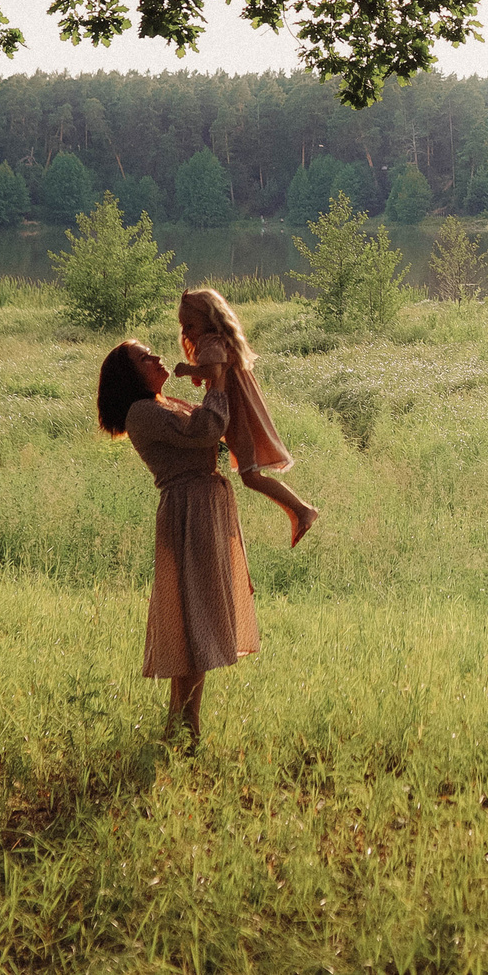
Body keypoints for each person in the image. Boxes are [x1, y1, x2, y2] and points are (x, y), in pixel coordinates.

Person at [96, 340, 255, 745]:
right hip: (189, 512)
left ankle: (180, 725)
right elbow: (207, 430)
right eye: (144, 358)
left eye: (152, 352)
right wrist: (216, 382)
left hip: (203, 507)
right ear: (129, 375)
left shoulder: (164, 404)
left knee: (195, 616)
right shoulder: (141, 412)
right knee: (195, 618)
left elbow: (214, 434)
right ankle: (186, 727)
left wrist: (214, 381)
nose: (156, 358)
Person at [174, 288, 319, 546]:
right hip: (239, 410)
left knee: (250, 475)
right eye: (182, 327)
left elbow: (213, 369)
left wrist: (189, 370)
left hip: (238, 412)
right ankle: (298, 510)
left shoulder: (212, 341)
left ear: (210, 320)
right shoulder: (219, 342)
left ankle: (301, 510)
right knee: (248, 474)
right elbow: (215, 371)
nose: (185, 332)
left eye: (190, 325)